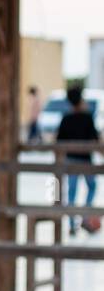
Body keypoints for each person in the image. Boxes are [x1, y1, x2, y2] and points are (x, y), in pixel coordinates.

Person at [56, 86, 100, 236]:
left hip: (70, 160)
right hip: (86, 160)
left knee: (72, 192)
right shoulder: (87, 117)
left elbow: (59, 142)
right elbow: (95, 139)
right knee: (92, 187)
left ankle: (71, 223)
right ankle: (86, 216)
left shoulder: (66, 118)